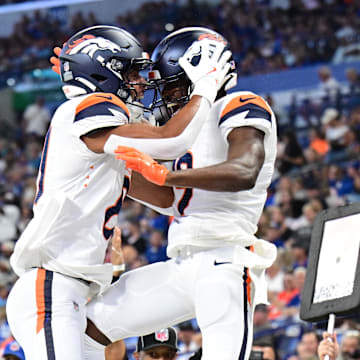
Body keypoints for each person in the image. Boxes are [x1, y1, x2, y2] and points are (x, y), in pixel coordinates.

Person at [6, 25, 229, 360]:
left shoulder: (104, 141)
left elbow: (167, 198)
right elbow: (171, 139)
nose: (141, 85)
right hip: (52, 287)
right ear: (103, 72)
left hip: (78, 295)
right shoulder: (87, 107)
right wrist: (207, 84)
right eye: (132, 74)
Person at [86, 27, 277, 360]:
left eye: (171, 84)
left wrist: (167, 174)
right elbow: (167, 198)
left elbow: (245, 171)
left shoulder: (240, 103)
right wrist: (116, 167)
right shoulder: (188, 128)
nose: (166, 95)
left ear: (201, 72)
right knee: (85, 327)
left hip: (225, 259)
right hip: (180, 264)